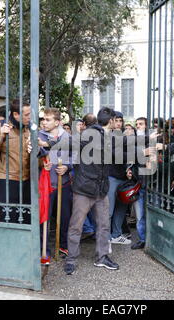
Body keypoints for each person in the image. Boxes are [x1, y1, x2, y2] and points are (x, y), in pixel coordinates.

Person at [63, 107, 119, 275]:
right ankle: (71, 259)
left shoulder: (110, 136)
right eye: (116, 120)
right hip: (84, 190)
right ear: (110, 121)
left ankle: (102, 257)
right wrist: (46, 144)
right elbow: (70, 143)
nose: (117, 123)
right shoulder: (89, 134)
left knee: (103, 225)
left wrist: (146, 141)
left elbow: (127, 144)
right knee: (76, 226)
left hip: (101, 191)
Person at [0, 99, 32, 223]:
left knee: (25, 221)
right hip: (6, 182)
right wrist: (1, 135)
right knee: (8, 220)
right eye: (26, 115)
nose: (29, 117)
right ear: (16, 115)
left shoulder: (29, 129)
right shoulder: (0, 126)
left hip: (26, 181)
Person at [38, 107, 73, 263]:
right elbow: (31, 157)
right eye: (43, 119)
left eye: (48, 119)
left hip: (63, 184)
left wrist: (67, 167)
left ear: (57, 122)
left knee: (65, 217)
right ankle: (44, 249)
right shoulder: (38, 136)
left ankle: (63, 245)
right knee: (44, 217)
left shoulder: (67, 137)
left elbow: (75, 157)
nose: (44, 122)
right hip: (45, 185)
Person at [108, 111, 132, 245]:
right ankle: (106, 238)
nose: (118, 123)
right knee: (109, 210)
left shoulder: (126, 137)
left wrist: (129, 169)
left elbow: (129, 156)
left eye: (120, 121)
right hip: (111, 176)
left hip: (124, 177)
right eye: (116, 121)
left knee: (121, 208)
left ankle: (116, 234)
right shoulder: (108, 136)